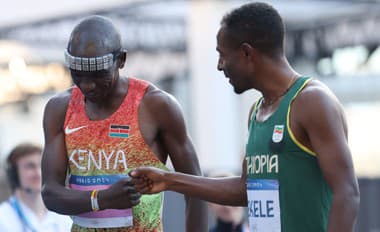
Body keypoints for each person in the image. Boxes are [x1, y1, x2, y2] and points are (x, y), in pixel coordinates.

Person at [130, 2, 360, 232]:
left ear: (247, 53)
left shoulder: (311, 101)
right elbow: (244, 190)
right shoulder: (257, 111)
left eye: (222, 55)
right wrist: (169, 181)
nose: (219, 66)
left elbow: (347, 192)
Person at [40, 15, 207, 232]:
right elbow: (50, 193)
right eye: (77, 75)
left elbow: (196, 189)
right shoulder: (59, 108)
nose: (88, 85)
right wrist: (101, 199)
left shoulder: (155, 106)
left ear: (121, 60)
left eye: (99, 75)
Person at [0, 143, 72, 231]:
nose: (38, 173)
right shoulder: (3, 218)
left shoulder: (63, 216)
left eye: (41, 166)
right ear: (13, 175)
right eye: (30, 167)